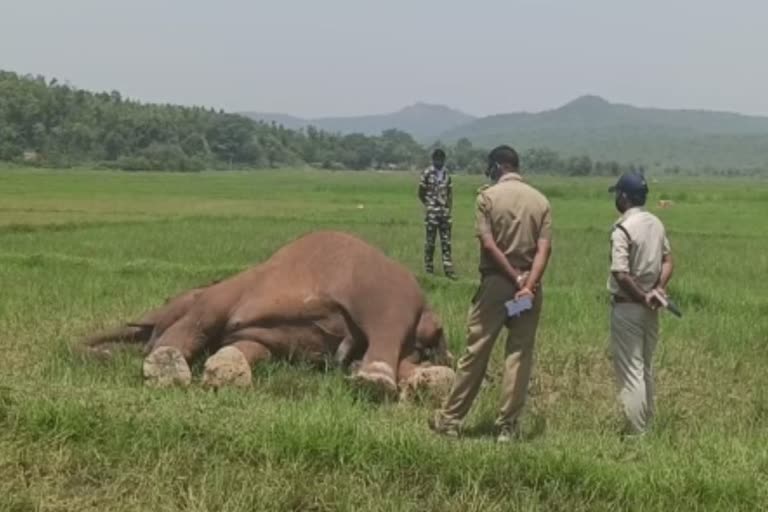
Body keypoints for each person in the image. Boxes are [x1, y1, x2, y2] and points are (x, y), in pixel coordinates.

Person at [429, 145, 553, 442]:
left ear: (498, 167)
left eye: (490, 168)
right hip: (529, 289)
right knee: (519, 354)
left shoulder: (488, 197)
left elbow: (488, 244)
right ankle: (507, 427)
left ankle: (450, 420)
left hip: (497, 284)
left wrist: (512, 277)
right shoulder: (541, 201)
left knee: (476, 352)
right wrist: (528, 283)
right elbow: (544, 249)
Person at [607, 171, 674, 437]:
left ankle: (636, 435)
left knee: (631, 372)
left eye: (617, 194)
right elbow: (669, 260)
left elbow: (620, 273)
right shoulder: (655, 223)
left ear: (624, 197)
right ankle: (647, 424)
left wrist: (641, 296)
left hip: (628, 307)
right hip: (651, 307)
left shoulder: (622, 228)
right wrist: (657, 289)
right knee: (645, 368)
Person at [418, 148, 455, 279]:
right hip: (432, 213)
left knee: (446, 242)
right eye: (437, 159)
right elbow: (421, 193)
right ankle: (429, 268)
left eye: (441, 159)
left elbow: (450, 193)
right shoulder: (427, 173)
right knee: (430, 242)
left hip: (444, 213)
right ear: (433, 160)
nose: (439, 161)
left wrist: (448, 208)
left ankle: (449, 269)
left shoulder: (447, 174)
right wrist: (429, 205)